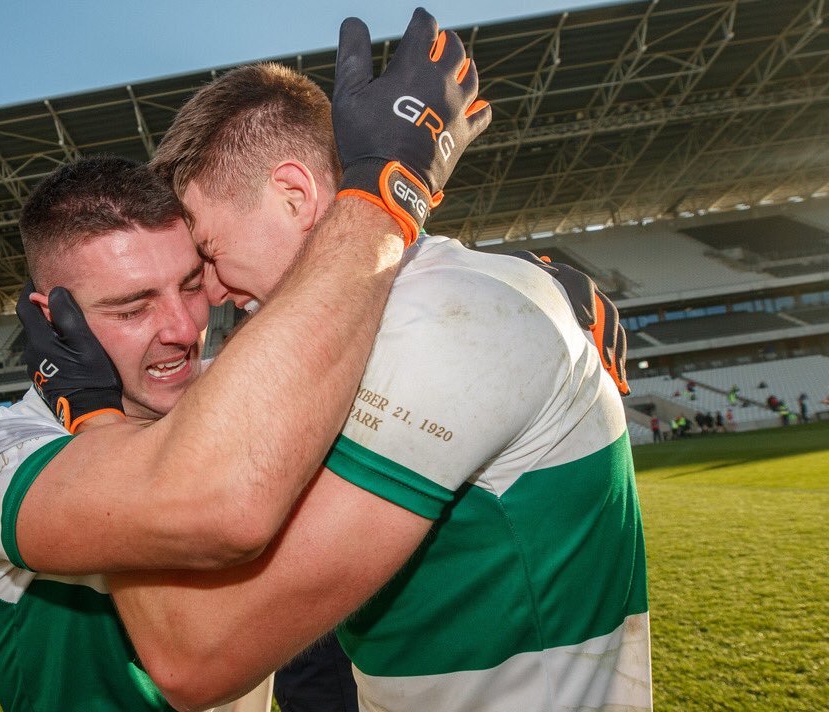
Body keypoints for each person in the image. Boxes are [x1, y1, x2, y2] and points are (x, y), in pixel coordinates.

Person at [47, 12, 648, 711]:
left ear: (296, 196)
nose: (208, 294)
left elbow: (193, 654)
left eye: (208, 253)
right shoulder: (416, 316)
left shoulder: (443, 324)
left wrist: (99, 420)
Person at [0, 10, 492, 711]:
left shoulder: (239, 387)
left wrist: (535, 301)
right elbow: (187, 505)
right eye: (133, 307)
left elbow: (368, 339)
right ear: (53, 323)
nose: (183, 327)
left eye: (193, 282)